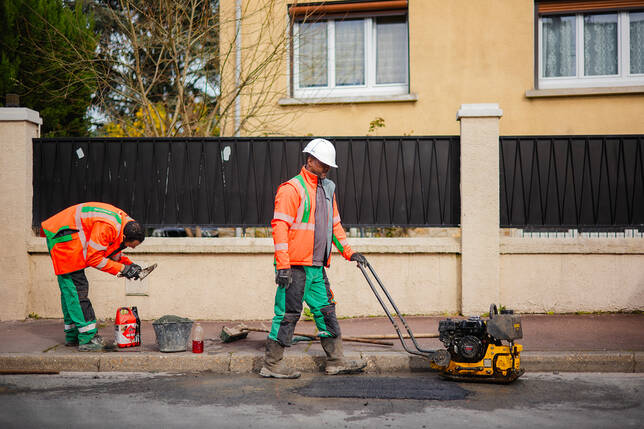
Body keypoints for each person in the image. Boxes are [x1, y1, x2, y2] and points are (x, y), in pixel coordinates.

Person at [261, 138, 368, 379]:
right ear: (310, 160)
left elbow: (335, 226)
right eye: (323, 163)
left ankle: (336, 361)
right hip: (295, 267)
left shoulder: (327, 189)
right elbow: (279, 228)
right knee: (287, 314)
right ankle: (272, 364)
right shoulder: (291, 189)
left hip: (317, 266)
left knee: (326, 312)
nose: (327, 167)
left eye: (329, 164)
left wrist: (350, 252)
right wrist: (283, 265)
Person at [41, 202, 145, 351]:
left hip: (65, 235)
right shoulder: (108, 226)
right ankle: (88, 338)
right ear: (124, 236)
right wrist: (123, 268)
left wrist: (129, 265)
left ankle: (73, 336)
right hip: (64, 239)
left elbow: (110, 247)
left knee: (70, 292)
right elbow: (94, 259)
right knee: (77, 289)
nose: (130, 247)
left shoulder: (124, 223)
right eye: (130, 245)